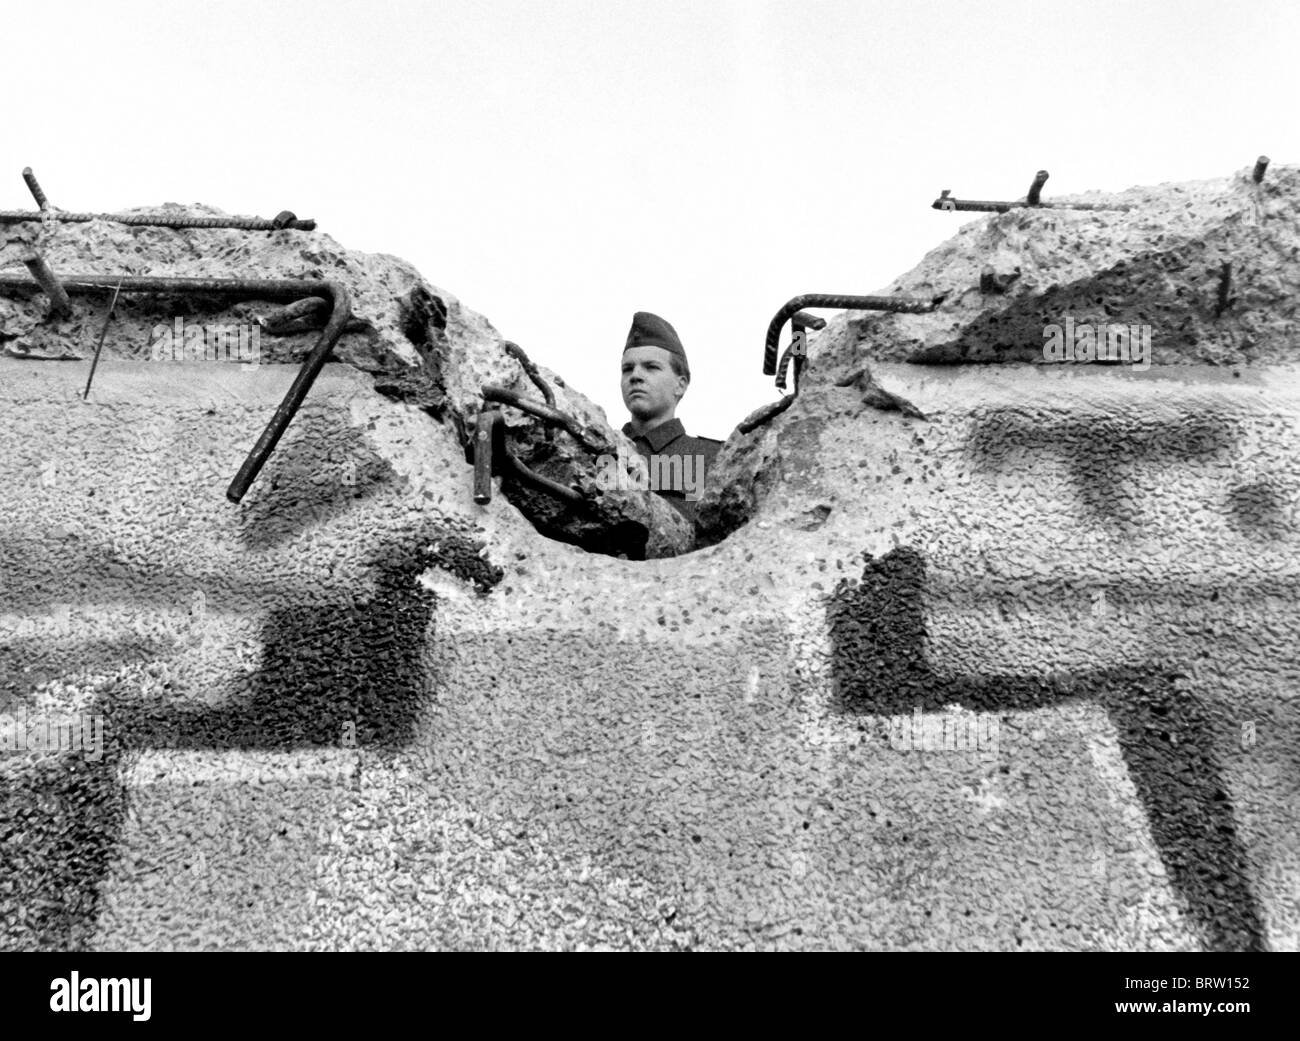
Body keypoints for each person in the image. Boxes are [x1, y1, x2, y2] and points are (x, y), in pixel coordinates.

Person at [619, 311, 722, 524]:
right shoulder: (602, 451)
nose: (635, 376)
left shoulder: (715, 458)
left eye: (651, 367)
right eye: (627, 369)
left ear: (680, 384)